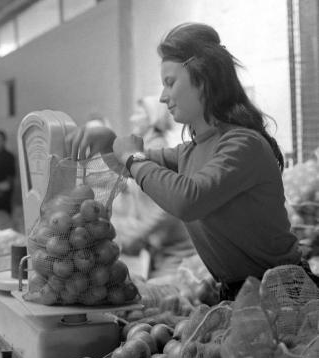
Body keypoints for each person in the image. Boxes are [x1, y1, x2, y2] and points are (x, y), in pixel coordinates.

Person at [67, 22, 303, 300]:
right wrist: (108, 140)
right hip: (242, 294)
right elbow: (131, 166)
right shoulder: (190, 152)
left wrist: (132, 156)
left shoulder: (242, 144)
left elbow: (187, 199)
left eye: (170, 83)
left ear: (203, 80)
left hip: (284, 295)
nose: (164, 97)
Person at [111, 96, 198, 279]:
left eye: (139, 114)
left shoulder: (158, 150)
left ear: (152, 118)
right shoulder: (145, 150)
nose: (132, 119)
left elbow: (165, 208)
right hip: (160, 249)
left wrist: (137, 235)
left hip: (177, 252)